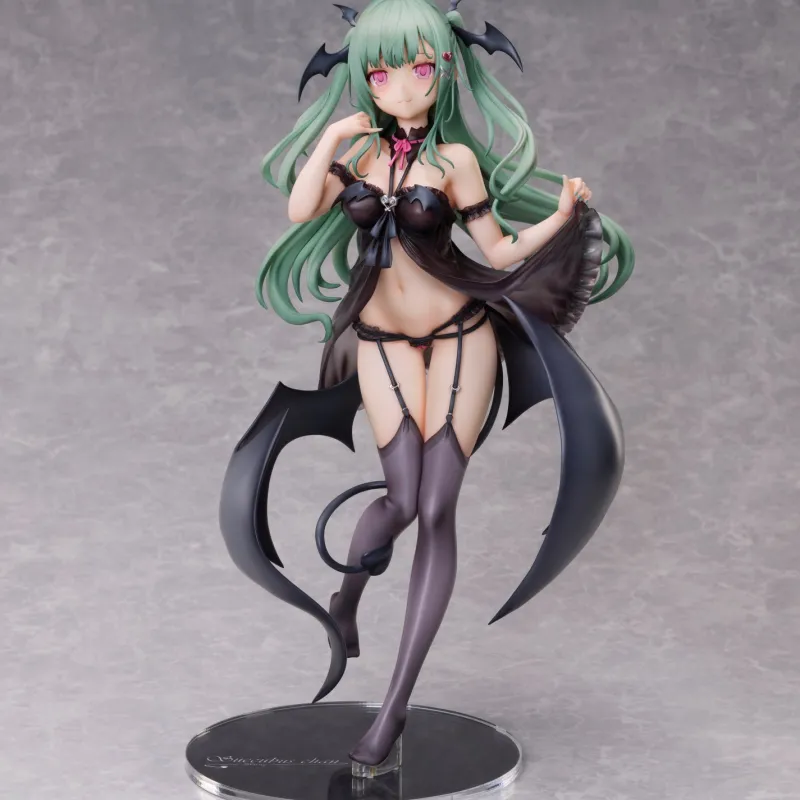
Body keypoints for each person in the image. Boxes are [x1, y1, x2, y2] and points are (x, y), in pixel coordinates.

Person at [219, 0, 634, 772]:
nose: (402, 87)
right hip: (381, 340)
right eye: (381, 73)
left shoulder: (455, 163)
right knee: (399, 500)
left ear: (444, 69)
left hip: (460, 337)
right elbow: (301, 209)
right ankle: (346, 602)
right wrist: (332, 137)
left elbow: (497, 248)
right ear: (362, 78)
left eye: (417, 68)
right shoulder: (358, 153)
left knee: (437, 509)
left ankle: (394, 710)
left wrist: (563, 216)